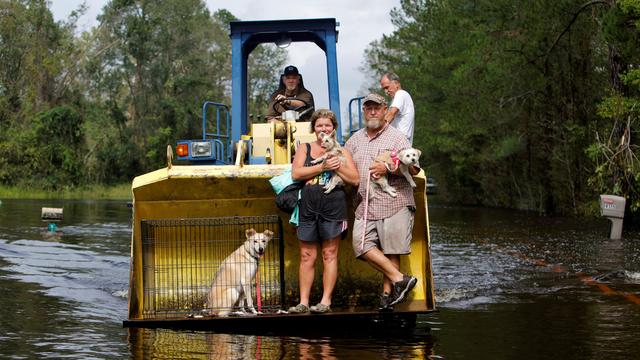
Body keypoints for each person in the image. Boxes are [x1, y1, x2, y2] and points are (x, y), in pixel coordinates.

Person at [344, 93, 419, 312]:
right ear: (364, 112)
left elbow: (414, 169)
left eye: (377, 108)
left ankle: (387, 298)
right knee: (361, 244)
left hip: (395, 201)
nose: (373, 112)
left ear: (385, 110)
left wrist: (387, 168)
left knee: (391, 250)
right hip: (366, 203)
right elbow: (345, 165)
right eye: (368, 108)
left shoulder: (397, 138)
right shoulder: (354, 139)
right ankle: (400, 279)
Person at [287, 109, 359, 314]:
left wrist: (336, 167)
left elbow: (354, 180)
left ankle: (325, 302)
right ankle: (303, 302)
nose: (323, 129)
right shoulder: (304, 148)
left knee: (329, 254)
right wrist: (323, 167)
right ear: (314, 129)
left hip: (333, 206)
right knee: (307, 255)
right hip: (308, 207)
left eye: (327, 125)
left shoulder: (342, 151)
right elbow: (296, 173)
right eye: (319, 125)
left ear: (334, 129)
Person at [380, 72, 415, 144]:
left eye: (387, 87)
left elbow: (391, 114)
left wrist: (375, 131)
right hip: (400, 143)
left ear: (396, 83)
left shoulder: (400, 94)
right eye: (384, 89)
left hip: (399, 144)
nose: (386, 92)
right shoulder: (400, 97)